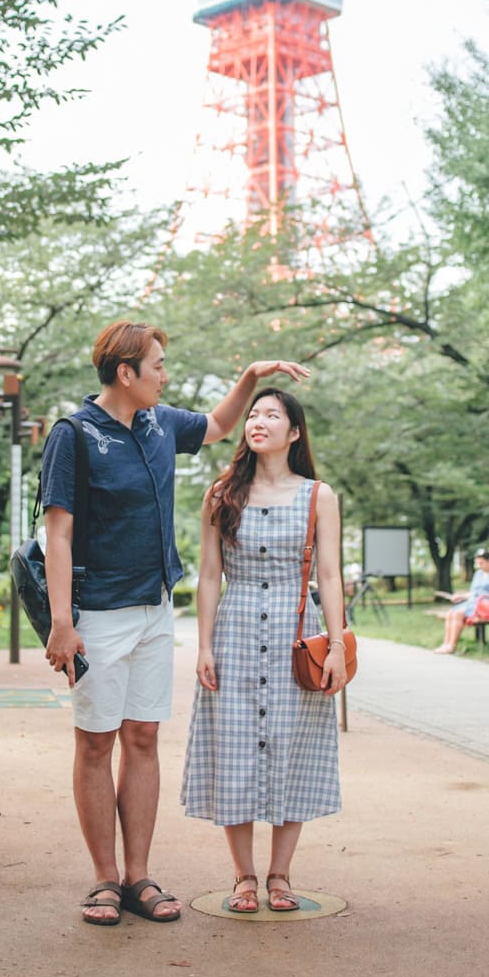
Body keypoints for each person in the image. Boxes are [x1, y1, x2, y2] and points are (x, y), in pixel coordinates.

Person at [41, 321, 308, 928]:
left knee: (142, 739)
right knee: (95, 742)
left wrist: (250, 378)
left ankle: (138, 876)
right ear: (126, 373)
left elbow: (216, 426)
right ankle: (104, 880)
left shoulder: (161, 424)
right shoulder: (74, 435)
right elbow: (58, 532)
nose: (165, 375)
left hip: (155, 608)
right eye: (157, 365)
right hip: (98, 612)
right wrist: (61, 621)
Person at [180, 388, 345, 913]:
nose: (258, 421)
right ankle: (243, 876)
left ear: (293, 433)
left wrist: (337, 645)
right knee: (233, 749)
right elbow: (210, 575)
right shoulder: (221, 493)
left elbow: (330, 575)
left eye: (272, 415)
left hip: (297, 636)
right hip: (235, 630)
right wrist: (204, 646)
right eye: (253, 414)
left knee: (294, 748)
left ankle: (280, 875)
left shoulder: (319, 496)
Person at [432, 549, 489, 654]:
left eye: (481, 563)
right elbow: (473, 593)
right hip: (473, 603)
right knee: (450, 613)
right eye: (478, 563)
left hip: (486, 605)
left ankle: (452, 646)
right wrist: (460, 596)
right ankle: (446, 644)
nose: (479, 566)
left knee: (458, 614)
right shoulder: (478, 574)